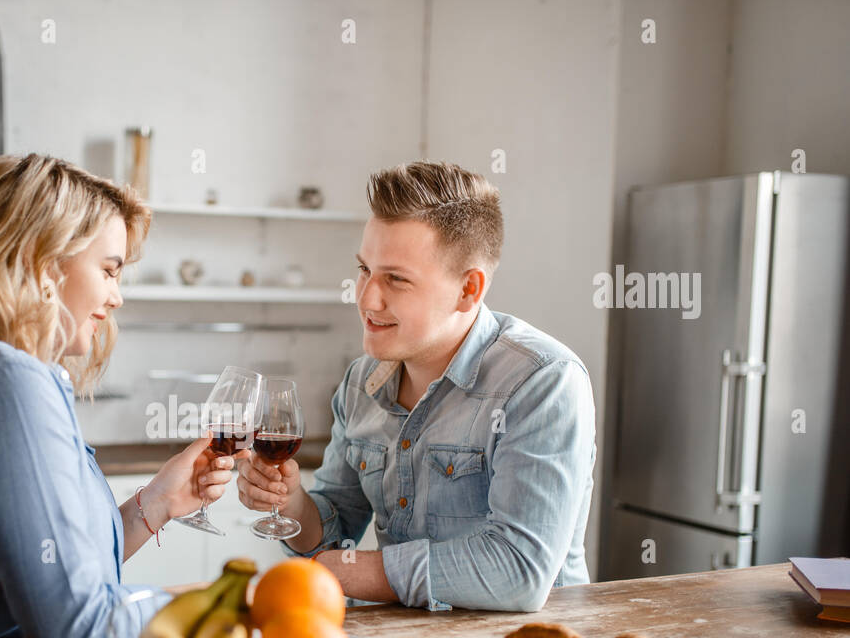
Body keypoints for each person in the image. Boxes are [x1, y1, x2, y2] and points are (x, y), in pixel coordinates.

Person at [0, 153, 239, 638]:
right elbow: (78, 627)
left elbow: (58, 570)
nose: (116, 297)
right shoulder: (7, 386)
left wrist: (157, 501)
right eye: (109, 270)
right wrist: (226, 609)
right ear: (43, 261)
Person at [237, 160, 596, 612]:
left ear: (469, 289)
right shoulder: (361, 382)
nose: (365, 297)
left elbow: (518, 571)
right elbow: (331, 533)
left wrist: (350, 572)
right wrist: (291, 504)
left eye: (396, 279)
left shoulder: (542, 381)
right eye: (364, 269)